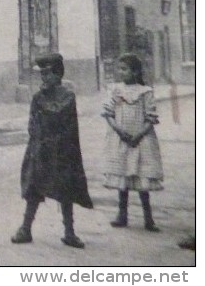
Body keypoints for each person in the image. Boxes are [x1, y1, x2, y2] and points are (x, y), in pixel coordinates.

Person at [11, 52, 93, 249]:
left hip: (62, 151)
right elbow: (32, 124)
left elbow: (60, 117)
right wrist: (37, 141)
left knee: (65, 190)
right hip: (40, 149)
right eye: (42, 75)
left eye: (48, 74)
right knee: (33, 188)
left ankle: (69, 232)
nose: (44, 78)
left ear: (58, 75)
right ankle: (25, 228)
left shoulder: (67, 97)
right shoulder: (38, 98)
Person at [102, 53, 164, 232]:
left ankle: (148, 218)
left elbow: (150, 117)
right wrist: (119, 131)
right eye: (119, 69)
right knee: (123, 178)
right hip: (121, 139)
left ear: (136, 72)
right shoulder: (115, 90)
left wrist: (139, 135)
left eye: (125, 69)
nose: (121, 72)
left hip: (141, 140)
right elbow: (109, 113)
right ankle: (122, 215)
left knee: (141, 179)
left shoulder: (145, 92)